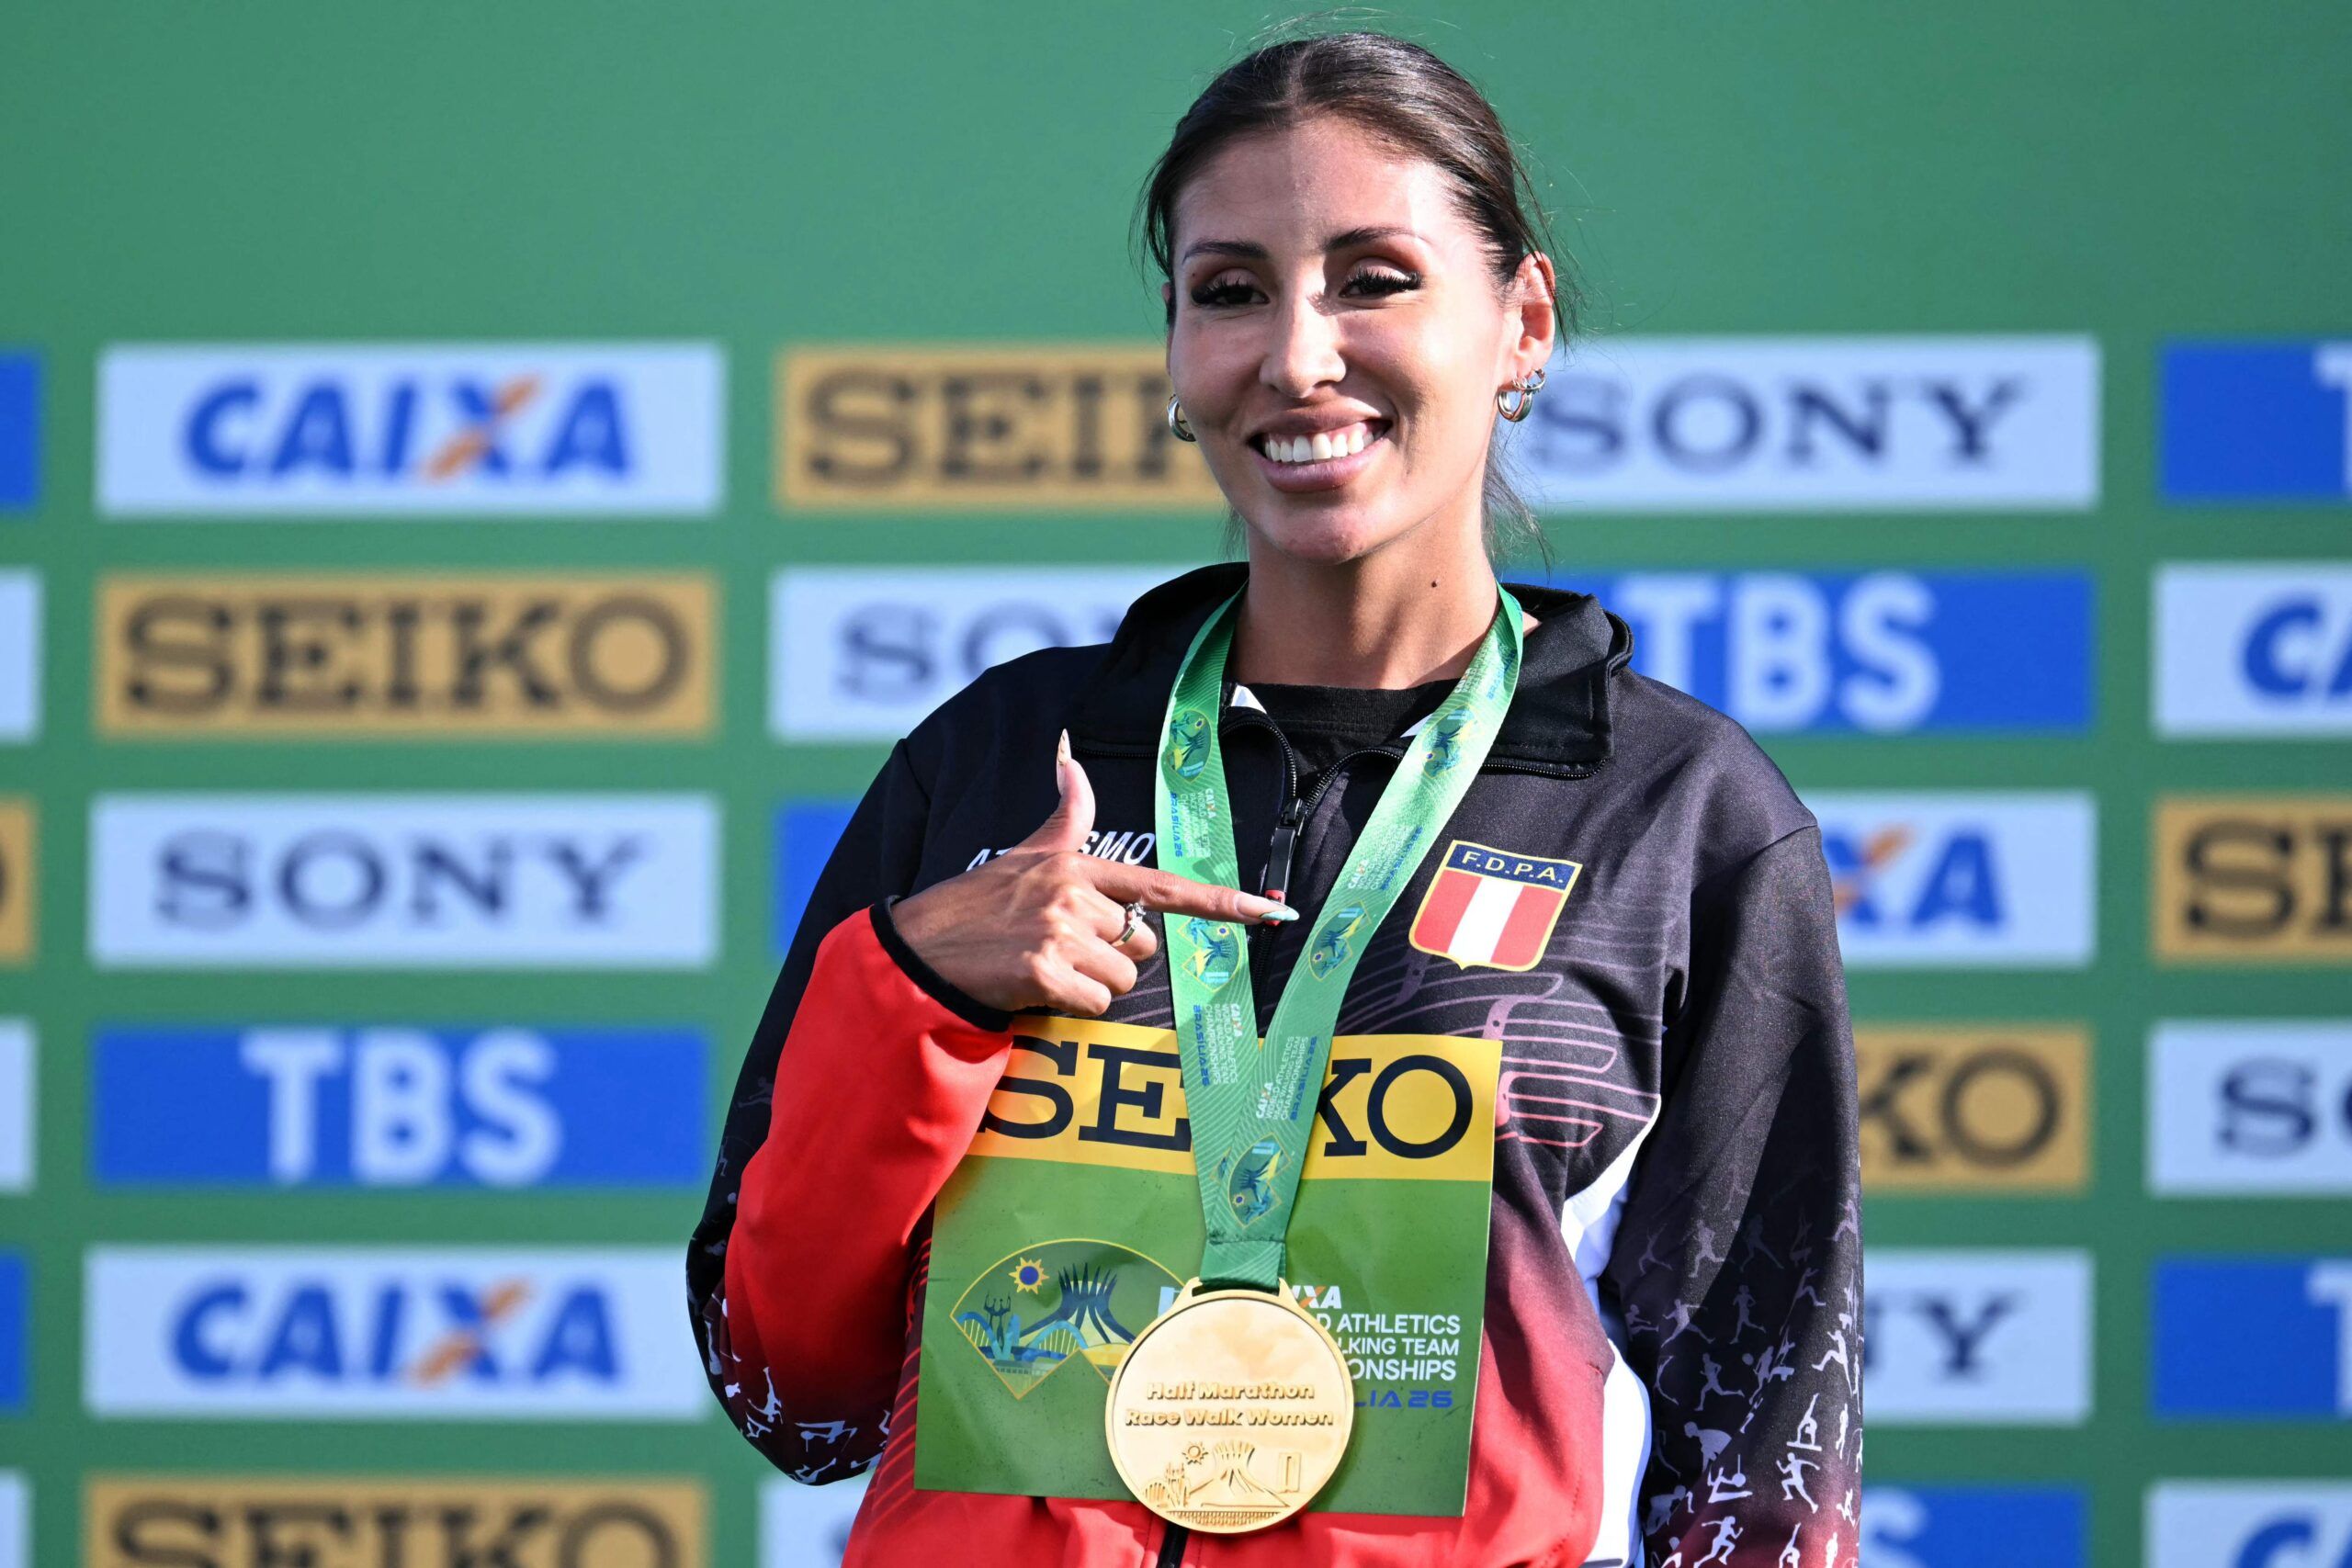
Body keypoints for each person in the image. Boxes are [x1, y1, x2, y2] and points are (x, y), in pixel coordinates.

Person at [689, 28, 1861, 1568]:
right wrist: (915, 993)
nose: (1297, 356)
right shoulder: (1002, 759)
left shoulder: (1678, 813)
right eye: (1230, 290)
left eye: (1374, 278)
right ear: (1175, 351)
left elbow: (1760, 1459)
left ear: (1521, 325)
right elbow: (796, 1396)